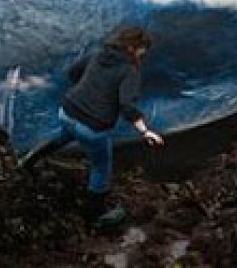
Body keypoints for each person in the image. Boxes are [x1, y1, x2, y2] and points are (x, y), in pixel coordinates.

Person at [17, 26, 165, 228]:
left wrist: (91, 89)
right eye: (142, 49)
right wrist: (145, 131)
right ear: (132, 47)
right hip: (92, 128)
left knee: (63, 135)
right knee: (101, 168)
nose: (143, 54)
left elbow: (72, 73)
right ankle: (94, 217)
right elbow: (127, 105)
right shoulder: (129, 70)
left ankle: (26, 161)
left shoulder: (97, 54)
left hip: (67, 112)